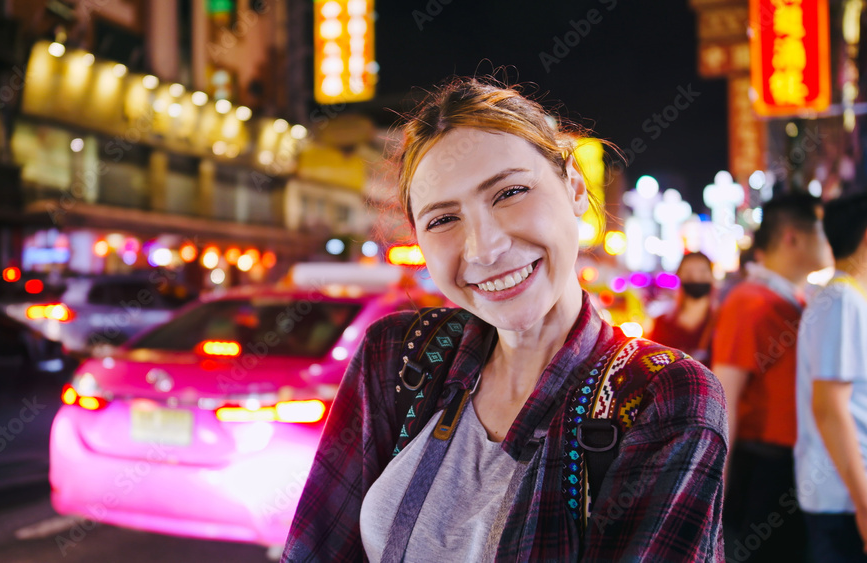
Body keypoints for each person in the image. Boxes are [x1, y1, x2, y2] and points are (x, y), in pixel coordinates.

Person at [281, 77, 727, 562]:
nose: (485, 247)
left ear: (575, 188)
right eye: (443, 220)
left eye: (510, 192)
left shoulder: (662, 396)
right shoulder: (395, 358)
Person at [711, 192, 833, 562]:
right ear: (793, 237)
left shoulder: (792, 299)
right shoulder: (751, 302)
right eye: (822, 232)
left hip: (793, 468)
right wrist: (716, 495)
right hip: (766, 473)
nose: (830, 243)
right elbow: (724, 401)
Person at [795, 193, 867, 562]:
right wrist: (864, 503)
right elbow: (829, 408)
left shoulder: (846, 297)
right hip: (843, 498)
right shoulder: (842, 300)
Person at [649, 251, 717, 366]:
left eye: (702, 272)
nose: (696, 278)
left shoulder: (722, 323)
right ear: (679, 277)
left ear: (711, 276)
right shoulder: (662, 325)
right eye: (689, 273)